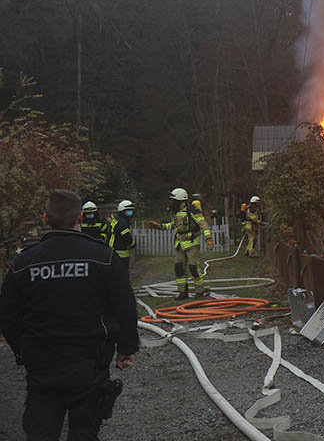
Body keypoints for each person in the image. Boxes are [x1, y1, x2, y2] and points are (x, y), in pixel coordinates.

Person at [0, 189, 138, 441]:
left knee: (41, 433)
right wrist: (126, 348)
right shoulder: (103, 257)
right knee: (84, 432)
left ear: (45, 218)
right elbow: (125, 307)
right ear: (81, 218)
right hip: (90, 365)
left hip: (42, 366)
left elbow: (8, 315)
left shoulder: (23, 263)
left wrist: (22, 352)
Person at [148, 188, 211, 299]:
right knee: (179, 268)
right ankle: (183, 292)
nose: (172, 203)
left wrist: (209, 239)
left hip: (192, 244)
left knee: (193, 268)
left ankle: (200, 291)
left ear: (181, 201)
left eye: (174, 201)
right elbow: (172, 225)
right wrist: (160, 226)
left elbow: (203, 224)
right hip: (180, 245)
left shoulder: (193, 210)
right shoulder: (177, 213)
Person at [107, 200, 136, 274]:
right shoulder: (123, 223)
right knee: (122, 274)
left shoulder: (116, 220)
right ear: (122, 211)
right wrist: (133, 244)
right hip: (121, 253)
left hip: (112, 251)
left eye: (131, 210)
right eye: (128, 211)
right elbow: (127, 239)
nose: (130, 212)